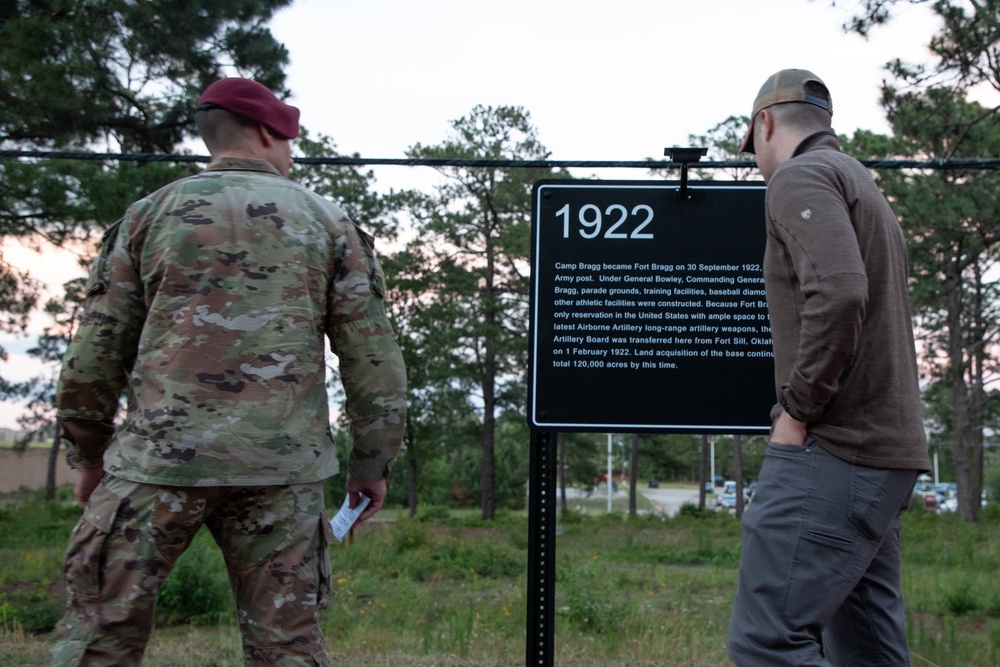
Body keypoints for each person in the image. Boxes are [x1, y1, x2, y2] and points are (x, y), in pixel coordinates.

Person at [49, 77, 407, 666]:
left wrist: (88, 455)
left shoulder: (148, 216)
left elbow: (94, 354)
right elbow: (373, 361)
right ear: (268, 132)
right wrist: (371, 464)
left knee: (99, 638)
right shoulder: (328, 223)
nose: (291, 155)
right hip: (280, 472)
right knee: (286, 649)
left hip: (157, 464)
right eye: (289, 141)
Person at [727, 69, 931, 666]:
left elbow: (840, 293)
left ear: (764, 124)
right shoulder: (860, 183)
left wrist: (796, 410)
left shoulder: (800, 177)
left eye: (754, 150)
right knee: (866, 648)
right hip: (883, 457)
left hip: (836, 452)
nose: (758, 163)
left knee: (767, 641)